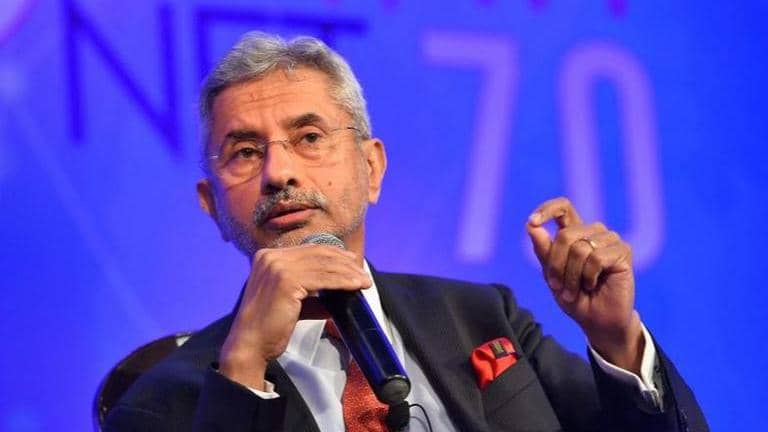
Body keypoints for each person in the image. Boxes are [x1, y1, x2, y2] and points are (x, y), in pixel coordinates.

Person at [103, 32, 708, 432]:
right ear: (212, 204)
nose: (278, 172)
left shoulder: (482, 316)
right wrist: (243, 368)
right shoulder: (160, 403)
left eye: (309, 138)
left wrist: (616, 339)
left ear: (371, 169)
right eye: (244, 151)